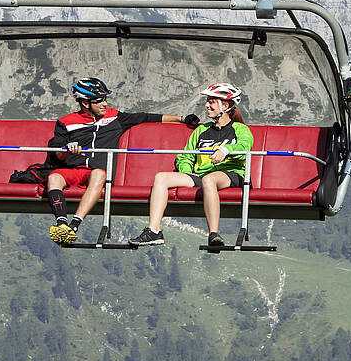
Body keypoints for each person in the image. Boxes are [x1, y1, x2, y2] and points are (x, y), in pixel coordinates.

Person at [43, 78, 197, 246]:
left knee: (99, 174)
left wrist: (181, 119)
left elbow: (145, 117)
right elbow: (57, 153)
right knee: (54, 178)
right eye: (99, 100)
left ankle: (74, 226)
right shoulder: (66, 122)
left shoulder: (114, 117)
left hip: (96, 173)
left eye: (105, 99)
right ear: (85, 103)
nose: (104, 103)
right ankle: (61, 223)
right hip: (74, 169)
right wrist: (66, 150)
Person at [130, 83, 253, 248]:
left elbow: (245, 146)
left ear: (225, 105)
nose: (207, 105)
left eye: (211, 101)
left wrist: (226, 150)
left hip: (231, 173)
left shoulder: (240, 129)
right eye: (207, 101)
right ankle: (154, 231)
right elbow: (186, 156)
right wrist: (188, 173)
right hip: (202, 176)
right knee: (161, 178)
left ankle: (214, 234)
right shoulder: (202, 130)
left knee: (209, 180)